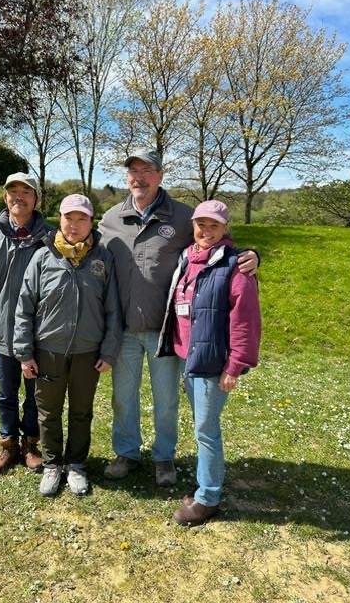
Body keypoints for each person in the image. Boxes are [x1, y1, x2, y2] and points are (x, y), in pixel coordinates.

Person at [98, 148, 259, 487]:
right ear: (127, 177)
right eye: (134, 171)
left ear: (160, 175)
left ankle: (163, 456)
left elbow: (213, 243)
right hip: (123, 329)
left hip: (166, 331)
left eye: (147, 171)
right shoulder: (110, 218)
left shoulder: (184, 217)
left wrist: (250, 255)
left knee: (167, 401)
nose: (139, 178)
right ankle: (126, 452)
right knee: (123, 398)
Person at [157, 200, 261, 526]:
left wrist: (235, 365)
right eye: (201, 224)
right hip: (187, 356)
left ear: (225, 228)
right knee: (202, 426)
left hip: (212, 362)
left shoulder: (235, 266)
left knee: (206, 429)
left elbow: (245, 320)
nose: (206, 231)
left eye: (214, 225)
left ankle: (209, 498)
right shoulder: (187, 258)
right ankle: (205, 485)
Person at [13, 194, 122, 496]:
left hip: (88, 352)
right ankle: (52, 464)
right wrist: (24, 353)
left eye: (81, 219)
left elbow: (113, 309)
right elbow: (24, 307)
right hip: (48, 350)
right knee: (48, 412)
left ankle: (76, 464)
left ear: (91, 222)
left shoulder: (103, 258)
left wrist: (109, 350)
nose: (74, 225)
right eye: (68, 218)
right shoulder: (42, 257)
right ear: (59, 219)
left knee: (81, 411)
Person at [0, 172, 50, 475]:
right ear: (5, 198)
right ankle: (8, 445)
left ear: (35, 198)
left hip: (39, 333)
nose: (19, 197)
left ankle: (31, 445)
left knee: (34, 394)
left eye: (26, 192)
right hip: (2, 331)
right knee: (6, 393)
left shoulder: (51, 238)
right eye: (12, 191)